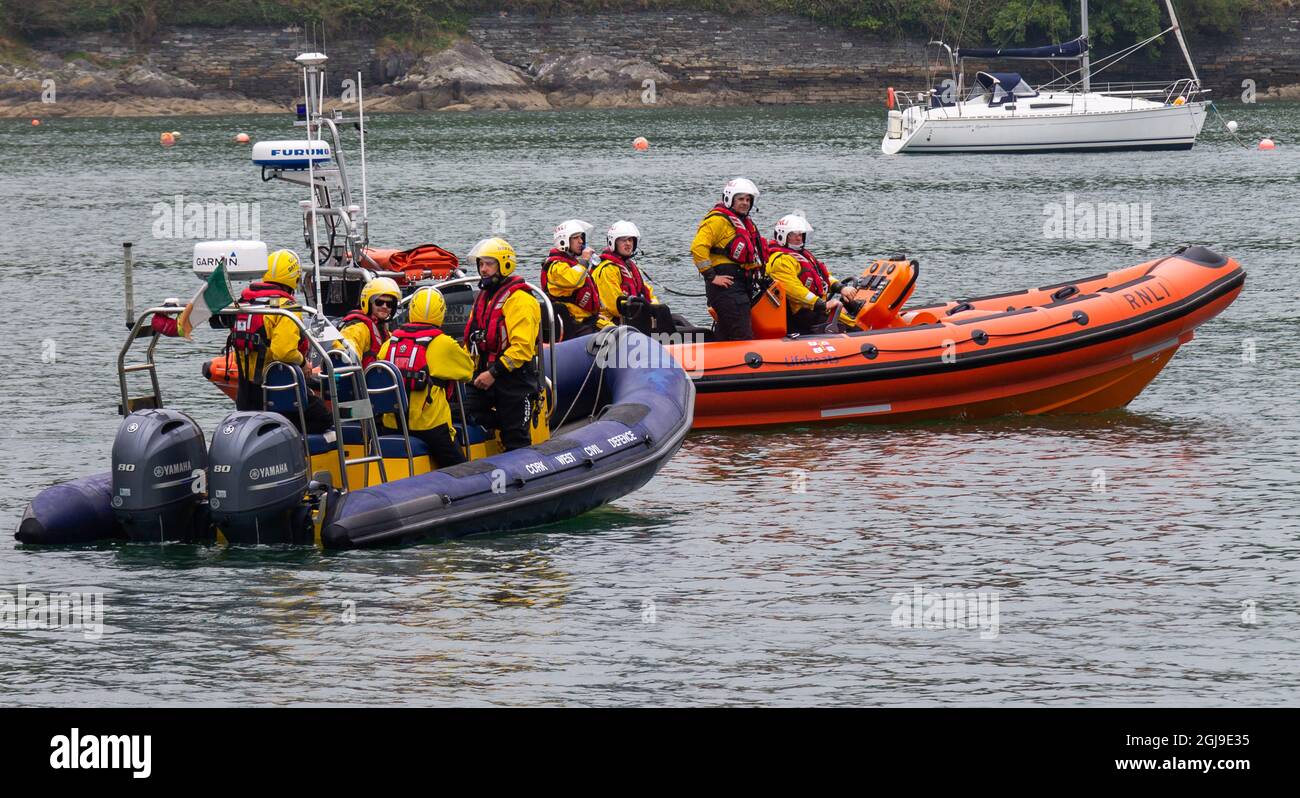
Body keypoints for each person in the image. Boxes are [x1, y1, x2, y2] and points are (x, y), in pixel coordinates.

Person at [228, 249, 333, 433]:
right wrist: (303, 362)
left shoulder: (246, 304)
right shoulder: (287, 309)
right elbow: (283, 351)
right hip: (276, 394)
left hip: (246, 394)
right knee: (323, 419)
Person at [377, 286, 475, 468]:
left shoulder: (390, 343)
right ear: (441, 312)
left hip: (391, 425)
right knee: (460, 468)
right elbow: (468, 371)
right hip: (430, 427)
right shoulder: (444, 343)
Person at [461, 237, 541, 451]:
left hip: (513, 379)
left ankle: (511, 430)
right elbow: (471, 341)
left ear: (504, 265)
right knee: (458, 411)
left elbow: (522, 349)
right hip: (483, 375)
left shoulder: (520, 300)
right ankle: (495, 426)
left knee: (515, 437)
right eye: (481, 264)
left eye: (489, 263)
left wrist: (493, 373)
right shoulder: (483, 298)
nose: (483, 269)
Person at [691, 177, 765, 341]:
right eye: (740, 199)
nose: (745, 203)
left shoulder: (744, 223)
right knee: (741, 334)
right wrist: (711, 276)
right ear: (729, 198)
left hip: (741, 285)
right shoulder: (717, 220)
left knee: (728, 331)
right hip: (726, 287)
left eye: (748, 199)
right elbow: (698, 247)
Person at [763, 214, 854, 335]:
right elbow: (794, 290)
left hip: (815, 309)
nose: (799, 238)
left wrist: (840, 287)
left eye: (801, 234)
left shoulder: (802, 255)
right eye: (793, 234)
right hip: (803, 313)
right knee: (854, 330)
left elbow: (822, 276)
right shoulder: (781, 261)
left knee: (854, 321)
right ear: (783, 235)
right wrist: (822, 304)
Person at [593, 220, 675, 334]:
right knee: (663, 315)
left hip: (635, 317)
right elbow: (614, 307)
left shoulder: (630, 266)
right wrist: (646, 309)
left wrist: (654, 307)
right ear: (614, 242)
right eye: (623, 240)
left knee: (670, 315)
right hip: (616, 322)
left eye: (630, 240)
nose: (628, 243)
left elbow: (647, 292)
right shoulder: (608, 269)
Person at [541, 219, 607, 340]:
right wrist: (585, 261)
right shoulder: (556, 266)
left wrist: (596, 315)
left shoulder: (573, 263)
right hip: (576, 324)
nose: (581, 241)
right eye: (576, 238)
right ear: (564, 240)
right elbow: (573, 281)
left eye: (581, 237)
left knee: (619, 333)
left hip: (586, 319)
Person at [337, 276, 400, 366]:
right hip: (363, 378)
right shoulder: (358, 328)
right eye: (379, 302)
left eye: (389, 304)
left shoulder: (384, 331)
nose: (384, 306)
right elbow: (346, 350)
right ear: (368, 303)